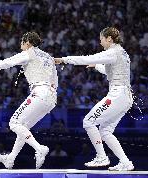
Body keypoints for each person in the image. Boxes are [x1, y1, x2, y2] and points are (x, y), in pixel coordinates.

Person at [0, 32, 58, 169]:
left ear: (27, 42)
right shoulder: (48, 57)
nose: (21, 45)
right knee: (23, 127)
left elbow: (5, 63)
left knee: (14, 123)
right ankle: (11, 158)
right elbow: (55, 80)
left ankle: (40, 148)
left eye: (22, 42)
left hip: (40, 92)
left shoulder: (28, 53)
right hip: (51, 97)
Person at [55, 27, 134, 171]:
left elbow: (87, 58)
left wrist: (64, 60)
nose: (100, 41)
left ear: (109, 38)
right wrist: (97, 66)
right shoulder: (122, 52)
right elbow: (112, 72)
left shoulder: (113, 52)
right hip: (125, 96)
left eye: (102, 38)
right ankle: (125, 162)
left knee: (88, 121)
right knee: (105, 131)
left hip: (118, 95)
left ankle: (102, 157)